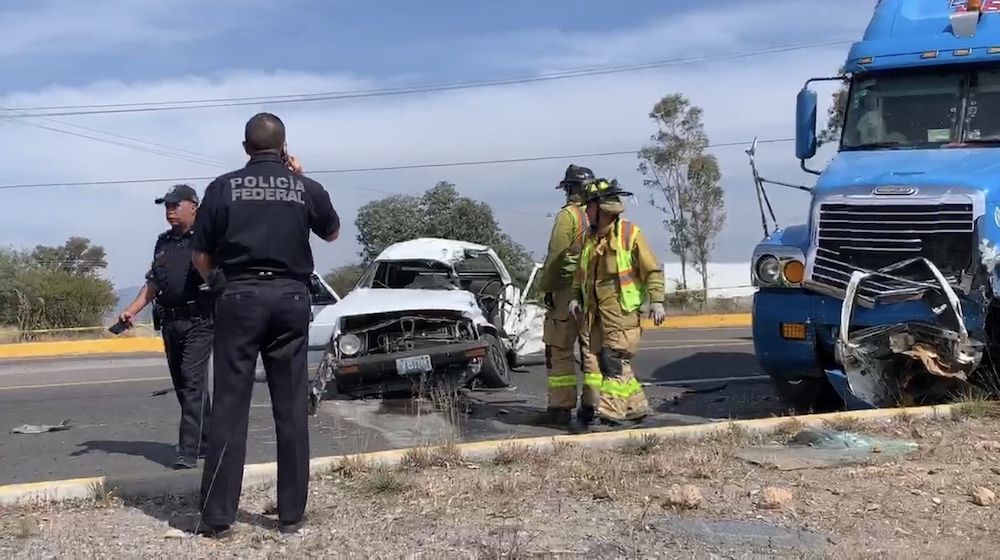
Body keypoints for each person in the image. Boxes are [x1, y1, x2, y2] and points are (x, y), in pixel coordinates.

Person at [190, 112, 340, 538]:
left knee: (230, 409)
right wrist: (300, 177)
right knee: (291, 408)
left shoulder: (222, 187)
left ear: (245, 148)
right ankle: (291, 514)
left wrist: (219, 285)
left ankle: (219, 517)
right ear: (285, 146)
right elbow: (331, 233)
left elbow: (200, 255)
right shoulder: (305, 188)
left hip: (238, 298)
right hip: (291, 300)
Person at [119, 184, 214, 469]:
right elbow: (153, 283)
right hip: (171, 323)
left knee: (191, 380)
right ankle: (206, 441)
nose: (170, 211)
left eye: (175, 205)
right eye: (167, 206)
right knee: (184, 387)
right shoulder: (163, 243)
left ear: (193, 206)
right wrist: (131, 311)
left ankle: (188, 450)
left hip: (200, 321)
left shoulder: (207, 237)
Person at [569, 178, 666, 426]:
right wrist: (575, 298)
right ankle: (636, 406)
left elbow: (652, 270)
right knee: (610, 361)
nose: (585, 212)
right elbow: (582, 274)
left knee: (612, 361)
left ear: (601, 208)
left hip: (621, 312)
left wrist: (656, 301)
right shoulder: (590, 239)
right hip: (596, 313)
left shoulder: (630, 234)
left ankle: (611, 413)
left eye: (588, 206)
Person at [536, 164, 603, 430]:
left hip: (566, 290)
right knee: (592, 351)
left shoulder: (569, 216)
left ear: (570, 189)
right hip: (595, 293)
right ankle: (593, 407)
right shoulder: (602, 215)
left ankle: (560, 409)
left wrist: (547, 290)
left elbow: (556, 256)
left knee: (559, 349)